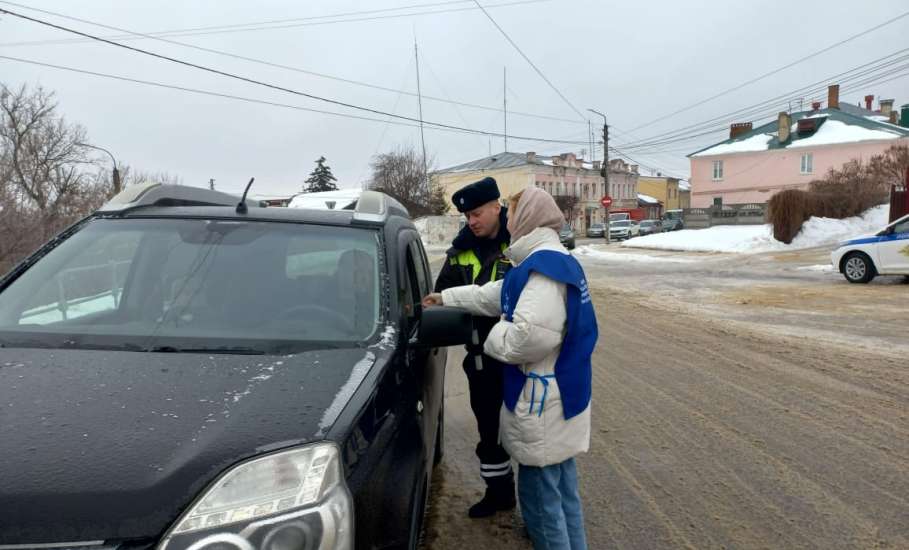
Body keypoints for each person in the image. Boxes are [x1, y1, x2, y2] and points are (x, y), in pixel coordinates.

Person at [424, 187, 597, 549]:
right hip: (554, 396)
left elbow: (527, 338)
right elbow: (493, 293)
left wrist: (490, 338)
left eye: (514, 212)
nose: (509, 218)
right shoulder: (540, 262)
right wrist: (446, 297)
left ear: (530, 217)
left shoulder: (544, 270)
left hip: (544, 401)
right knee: (559, 492)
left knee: (546, 504)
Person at [434, 176, 515, 518]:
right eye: (468, 217)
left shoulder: (521, 244)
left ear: (497, 206)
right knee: (489, 432)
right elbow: (442, 298)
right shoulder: (459, 255)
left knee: (529, 433)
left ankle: (539, 503)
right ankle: (499, 494)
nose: (473, 221)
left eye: (478, 213)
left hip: (520, 359)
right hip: (482, 361)